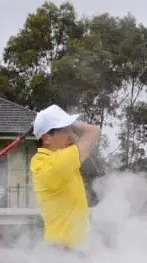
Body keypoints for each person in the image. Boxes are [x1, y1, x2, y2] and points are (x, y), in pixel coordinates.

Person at [29, 104, 101, 251]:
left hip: (68, 249)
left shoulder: (44, 160)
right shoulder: (55, 164)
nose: (72, 135)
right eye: (65, 130)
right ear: (47, 138)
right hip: (64, 251)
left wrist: (57, 122)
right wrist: (72, 122)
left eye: (71, 129)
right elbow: (94, 131)